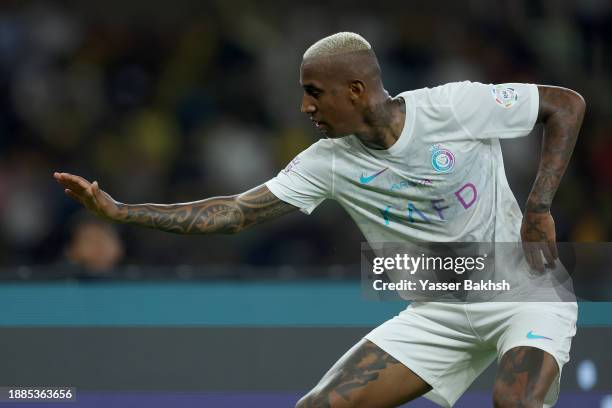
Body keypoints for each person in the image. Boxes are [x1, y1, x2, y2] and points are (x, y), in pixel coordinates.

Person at [54, 32, 585, 408]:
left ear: (355, 90)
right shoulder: (327, 162)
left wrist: (537, 208)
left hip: (523, 291)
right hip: (439, 311)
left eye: (314, 91)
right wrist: (121, 212)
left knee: (514, 401)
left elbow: (565, 104)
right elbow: (236, 213)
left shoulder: (453, 107)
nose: (305, 106)